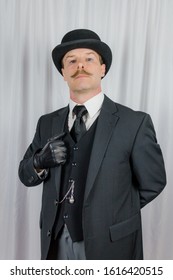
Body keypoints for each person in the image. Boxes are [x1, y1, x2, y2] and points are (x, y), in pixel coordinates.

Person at [18, 29, 166, 260]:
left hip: (111, 241)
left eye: (89, 59)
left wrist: (113, 211)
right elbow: (25, 175)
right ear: (63, 73)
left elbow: (154, 182)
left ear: (102, 69)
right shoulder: (47, 123)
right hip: (56, 241)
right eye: (72, 61)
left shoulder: (135, 122)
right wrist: (38, 162)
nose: (81, 66)